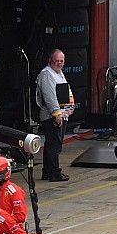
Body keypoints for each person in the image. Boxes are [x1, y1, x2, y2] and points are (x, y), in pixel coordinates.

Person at [36, 49, 74, 182]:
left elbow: (65, 90)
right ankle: (54, 172)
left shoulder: (58, 73)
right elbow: (49, 96)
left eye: (61, 61)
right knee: (54, 145)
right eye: (56, 61)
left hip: (62, 114)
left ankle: (48, 171)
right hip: (52, 116)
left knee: (53, 144)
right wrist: (56, 114)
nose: (59, 63)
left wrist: (69, 108)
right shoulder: (47, 74)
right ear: (50, 60)